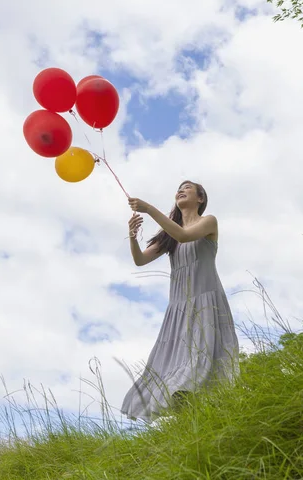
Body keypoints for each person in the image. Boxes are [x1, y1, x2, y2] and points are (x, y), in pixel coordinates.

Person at [120, 180, 240, 424]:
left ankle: (207, 413)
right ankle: (189, 416)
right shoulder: (168, 235)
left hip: (206, 301)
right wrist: (132, 236)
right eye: (178, 188)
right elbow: (140, 260)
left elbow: (184, 235)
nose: (181, 190)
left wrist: (150, 209)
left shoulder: (209, 222)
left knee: (202, 359)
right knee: (173, 362)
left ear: (200, 199)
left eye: (188, 187)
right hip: (179, 307)